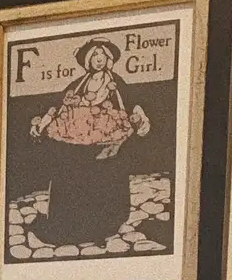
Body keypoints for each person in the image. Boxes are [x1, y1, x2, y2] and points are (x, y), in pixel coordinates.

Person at [27, 37, 149, 248]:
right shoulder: (78, 84)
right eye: (94, 55)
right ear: (87, 59)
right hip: (79, 144)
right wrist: (43, 123)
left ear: (108, 59)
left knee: (103, 181)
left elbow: (132, 104)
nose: (98, 59)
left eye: (102, 55)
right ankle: (75, 223)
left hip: (107, 143)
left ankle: (104, 225)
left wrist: (141, 118)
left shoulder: (116, 83)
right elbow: (58, 107)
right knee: (75, 178)